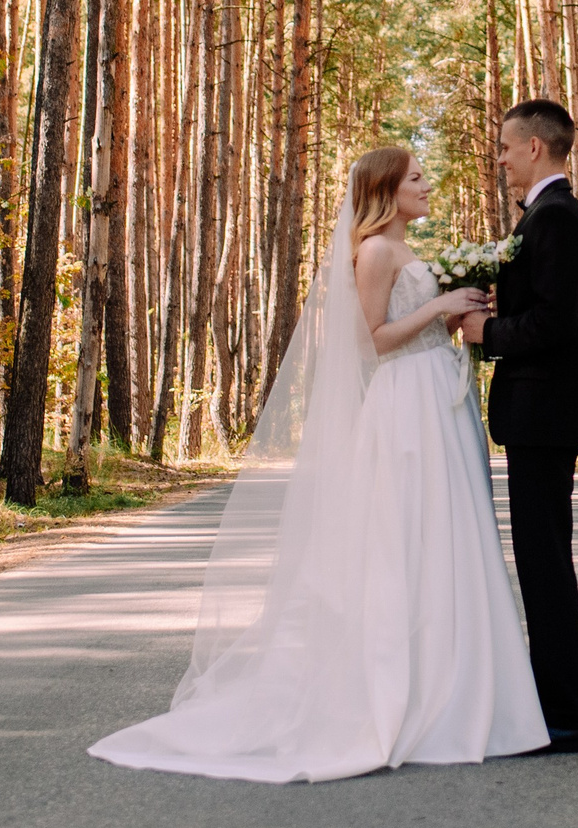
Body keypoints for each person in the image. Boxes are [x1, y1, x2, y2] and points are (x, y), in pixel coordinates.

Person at [89, 146, 548, 782]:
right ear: (386, 190)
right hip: (403, 404)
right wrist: (440, 308)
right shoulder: (376, 251)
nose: (426, 185)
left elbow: (413, 330)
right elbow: (370, 342)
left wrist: (457, 317)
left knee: (443, 535)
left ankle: (456, 684)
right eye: (415, 178)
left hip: (434, 399)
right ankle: (405, 689)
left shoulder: (406, 249)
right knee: (404, 535)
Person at [457, 98, 578, 753]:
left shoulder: (557, 218)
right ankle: (560, 709)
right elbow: (542, 303)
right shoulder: (546, 217)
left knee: (545, 567)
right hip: (541, 415)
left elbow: (555, 323)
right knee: (543, 563)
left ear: (535, 147)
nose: (501, 159)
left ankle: (567, 715)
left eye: (506, 147)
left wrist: (488, 331)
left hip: (545, 414)